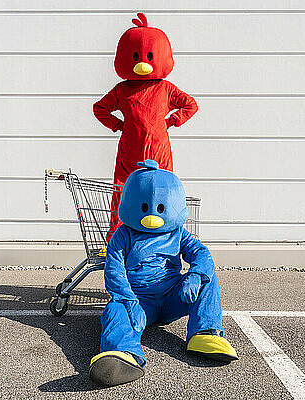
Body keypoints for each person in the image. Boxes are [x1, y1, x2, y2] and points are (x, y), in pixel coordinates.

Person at [89, 160, 238, 387]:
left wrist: (195, 275)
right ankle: (122, 355)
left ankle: (205, 332)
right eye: (144, 208)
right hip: (139, 301)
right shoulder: (123, 235)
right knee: (114, 308)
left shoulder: (177, 233)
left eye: (160, 208)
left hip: (172, 296)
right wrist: (129, 301)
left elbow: (201, 252)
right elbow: (114, 271)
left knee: (208, 279)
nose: (152, 217)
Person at [93, 13, 198, 240]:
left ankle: (165, 238)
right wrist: (117, 125)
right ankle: (117, 238)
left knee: (163, 190)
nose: (142, 63)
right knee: (122, 190)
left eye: (149, 56)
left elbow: (190, 105)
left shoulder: (166, 88)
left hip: (158, 150)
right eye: (137, 57)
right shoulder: (122, 90)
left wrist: (171, 121)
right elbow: (100, 108)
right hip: (129, 151)